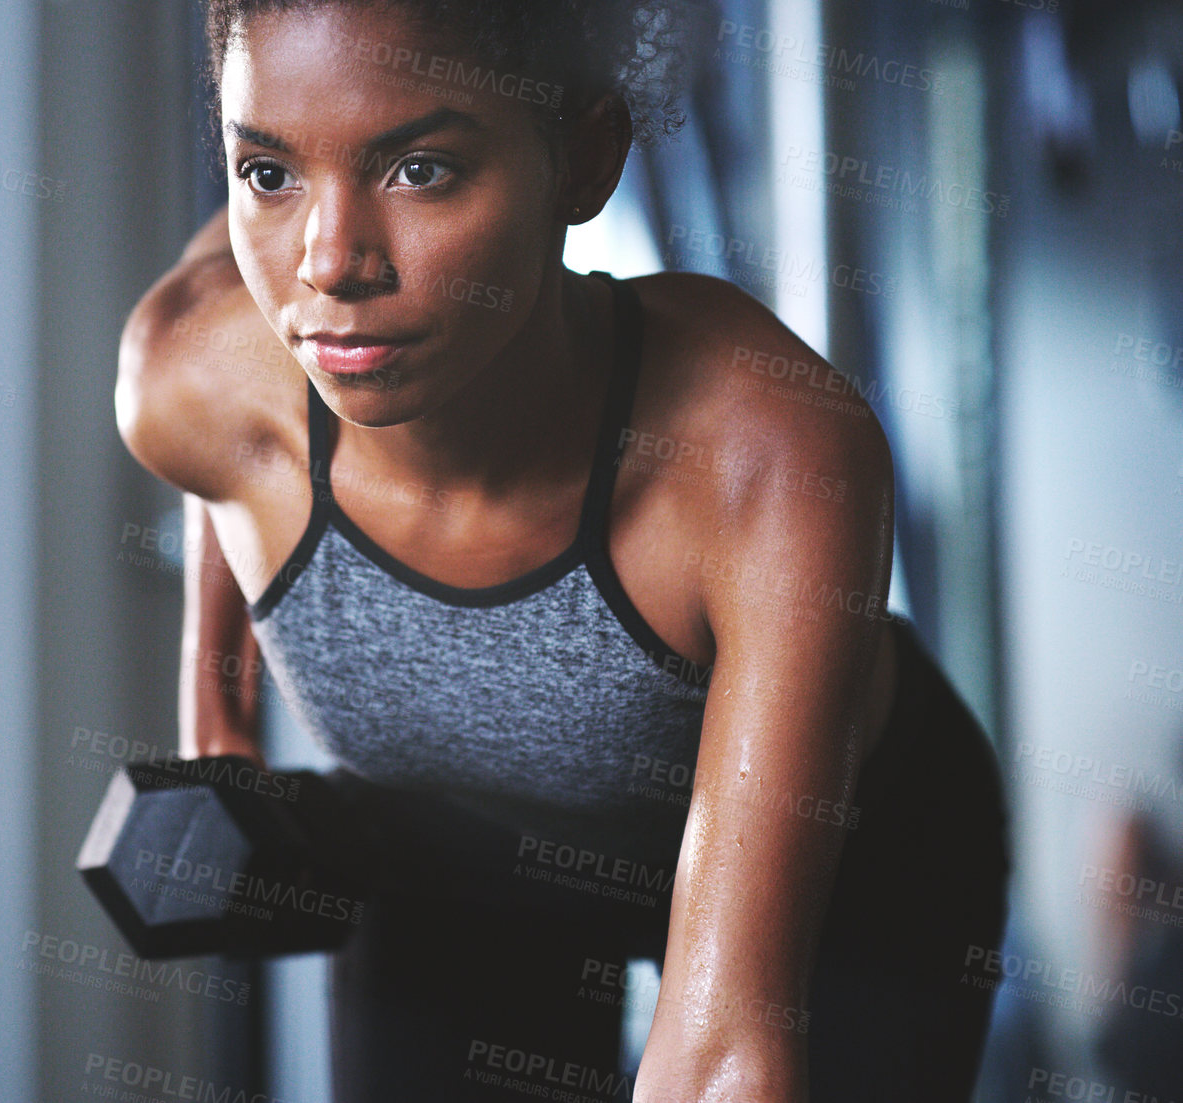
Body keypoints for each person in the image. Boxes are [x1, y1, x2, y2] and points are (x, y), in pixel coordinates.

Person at [114, 1, 1010, 1099]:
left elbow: (723, 1049)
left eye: (420, 169)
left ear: (582, 160)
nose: (329, 264)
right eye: (268, 173)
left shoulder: (762, 450)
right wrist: (217, 718)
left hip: (849, 880)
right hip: (467, 864)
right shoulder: (188, 379)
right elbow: (226, 457)